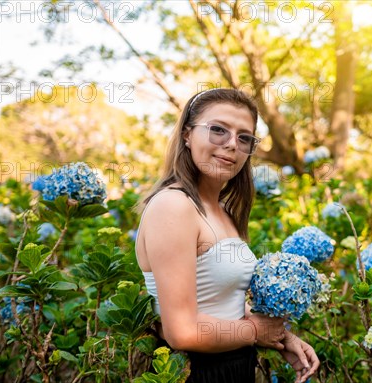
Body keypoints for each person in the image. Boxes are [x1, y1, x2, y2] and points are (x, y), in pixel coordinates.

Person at [135, 88, 319, 383]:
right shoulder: (174, 206)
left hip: (235, 366)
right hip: (196, 372)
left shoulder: (222, 209)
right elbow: (181, 331)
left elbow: (222, 301)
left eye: (244, 137)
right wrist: (257, 331)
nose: (232, 144)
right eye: (218, 130)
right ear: (187, 135)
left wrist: (281, 337)